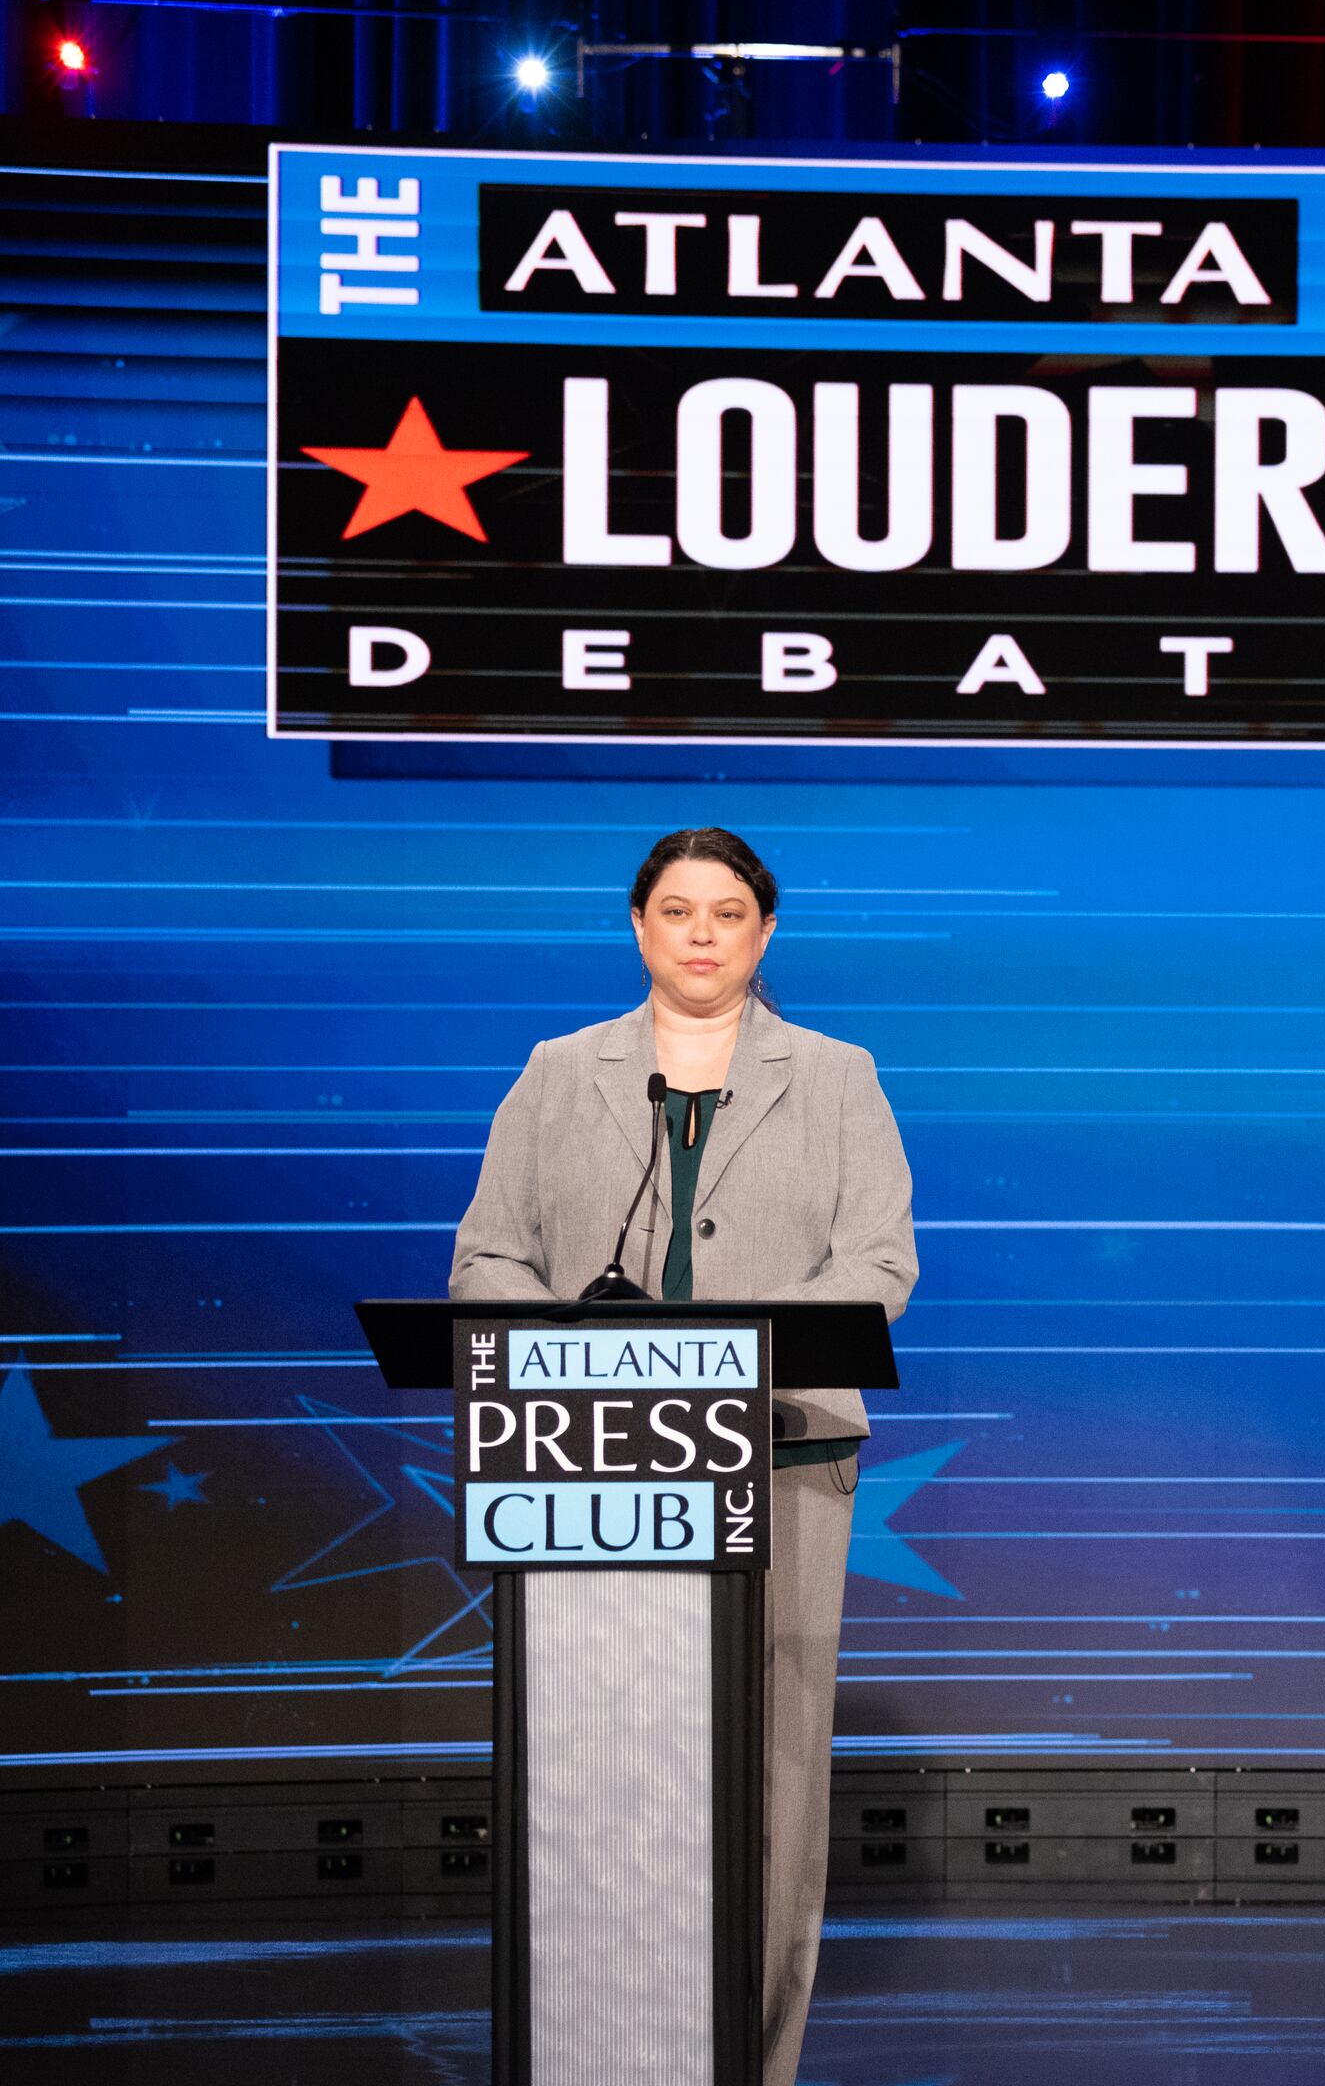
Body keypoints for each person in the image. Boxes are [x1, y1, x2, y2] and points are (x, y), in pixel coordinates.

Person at [450, 826, 915, 2086]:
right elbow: (487, 1258)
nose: (700, 933)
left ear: (765, 934)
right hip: (590, 1462)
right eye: (674, 910)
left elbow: (880, 1266)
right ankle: (596, 2052)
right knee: (602, 1768)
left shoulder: (836, 1075)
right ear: (638, 928)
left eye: (726, 913)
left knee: (767, 1785)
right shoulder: (559, 1074)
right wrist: (600, 1365)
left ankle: (750, 2064)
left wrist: (734, 1361)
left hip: (779, 1461)